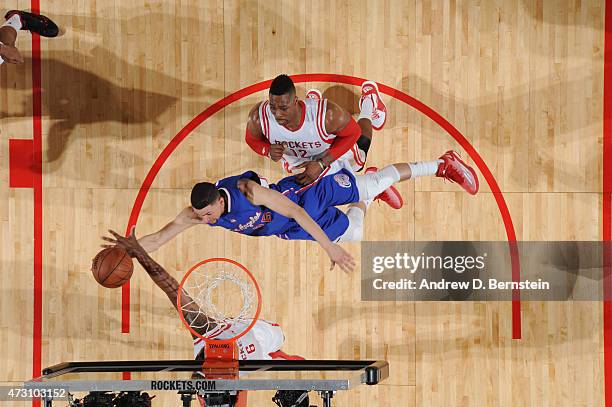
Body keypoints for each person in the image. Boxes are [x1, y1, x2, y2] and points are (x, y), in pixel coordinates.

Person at [135, 150, 479, 270]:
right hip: (289, 229)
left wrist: (329, 248)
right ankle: (370, 191)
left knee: (368, 186)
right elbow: (159, 238)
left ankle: (440, 164)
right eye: (202, 217)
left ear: (219, 200)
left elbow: (299, 213)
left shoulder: (250, 193)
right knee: (357, 232)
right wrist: (127, 249)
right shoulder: (198, 213)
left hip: (304, 197)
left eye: (208, 214)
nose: (205, 221)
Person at [102, 228, 308, 407]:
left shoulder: (205, 331)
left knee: (281, 336)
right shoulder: (228, 377)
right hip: (257, 356)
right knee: (282, 355)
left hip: (257, 333)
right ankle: (282, 357)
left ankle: (281, 356)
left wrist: (140, 253)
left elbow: (171, 288)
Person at [245, 74, 403, 209]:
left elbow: (353, 132)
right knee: (310, 192)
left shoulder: (327, 115)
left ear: (295, 102)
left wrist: (322, 163)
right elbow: (251, 139)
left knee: (359, 158)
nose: (277, 114)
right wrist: (266, 150)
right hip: (297, 161)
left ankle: (369, 102)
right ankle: (372, 186)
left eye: (283, 108)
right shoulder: (259, 117)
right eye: (273, 107)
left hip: (327, 151)